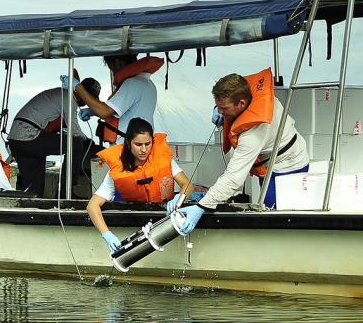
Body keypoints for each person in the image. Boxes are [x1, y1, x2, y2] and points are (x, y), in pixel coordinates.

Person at [173, 68, 309, 232]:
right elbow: (229, 98)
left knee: (277, 219)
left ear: (242, 104)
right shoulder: (248, 94)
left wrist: (202, 206)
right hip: (269, 159)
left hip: (288, 166)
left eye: (224, 108)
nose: (220, 112)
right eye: (218, 107)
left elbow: (233, 179)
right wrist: (220, 109)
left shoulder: (253, 134)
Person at [87, 118, 193, 252]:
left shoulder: (164, 160)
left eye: (148, 144)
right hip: (132, 219)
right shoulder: (117, 169)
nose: (144, 149)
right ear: (128, 143)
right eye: (138, 144)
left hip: (164, 218)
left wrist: (180, 197)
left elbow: (188, 185)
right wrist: (106, 234)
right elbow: (92, 205)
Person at [8, 76, 102, 197]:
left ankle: (31, 205)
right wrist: (89, 143)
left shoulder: (59, 95)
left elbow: (54, 127)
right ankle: (65, 192)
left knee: (34, 192)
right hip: (29, 136)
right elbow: (75, 132)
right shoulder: (69, 99)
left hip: (17, 140)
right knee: (75, 143)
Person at [69, 54, 163, 145]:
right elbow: (122, 112)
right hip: (137, 144)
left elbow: (104, 111)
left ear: (117, 62)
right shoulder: (147, 83)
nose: (113, 72)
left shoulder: (132, 84)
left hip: (127, 147)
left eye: (111, 67)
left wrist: (77, 87)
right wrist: (92, 111)